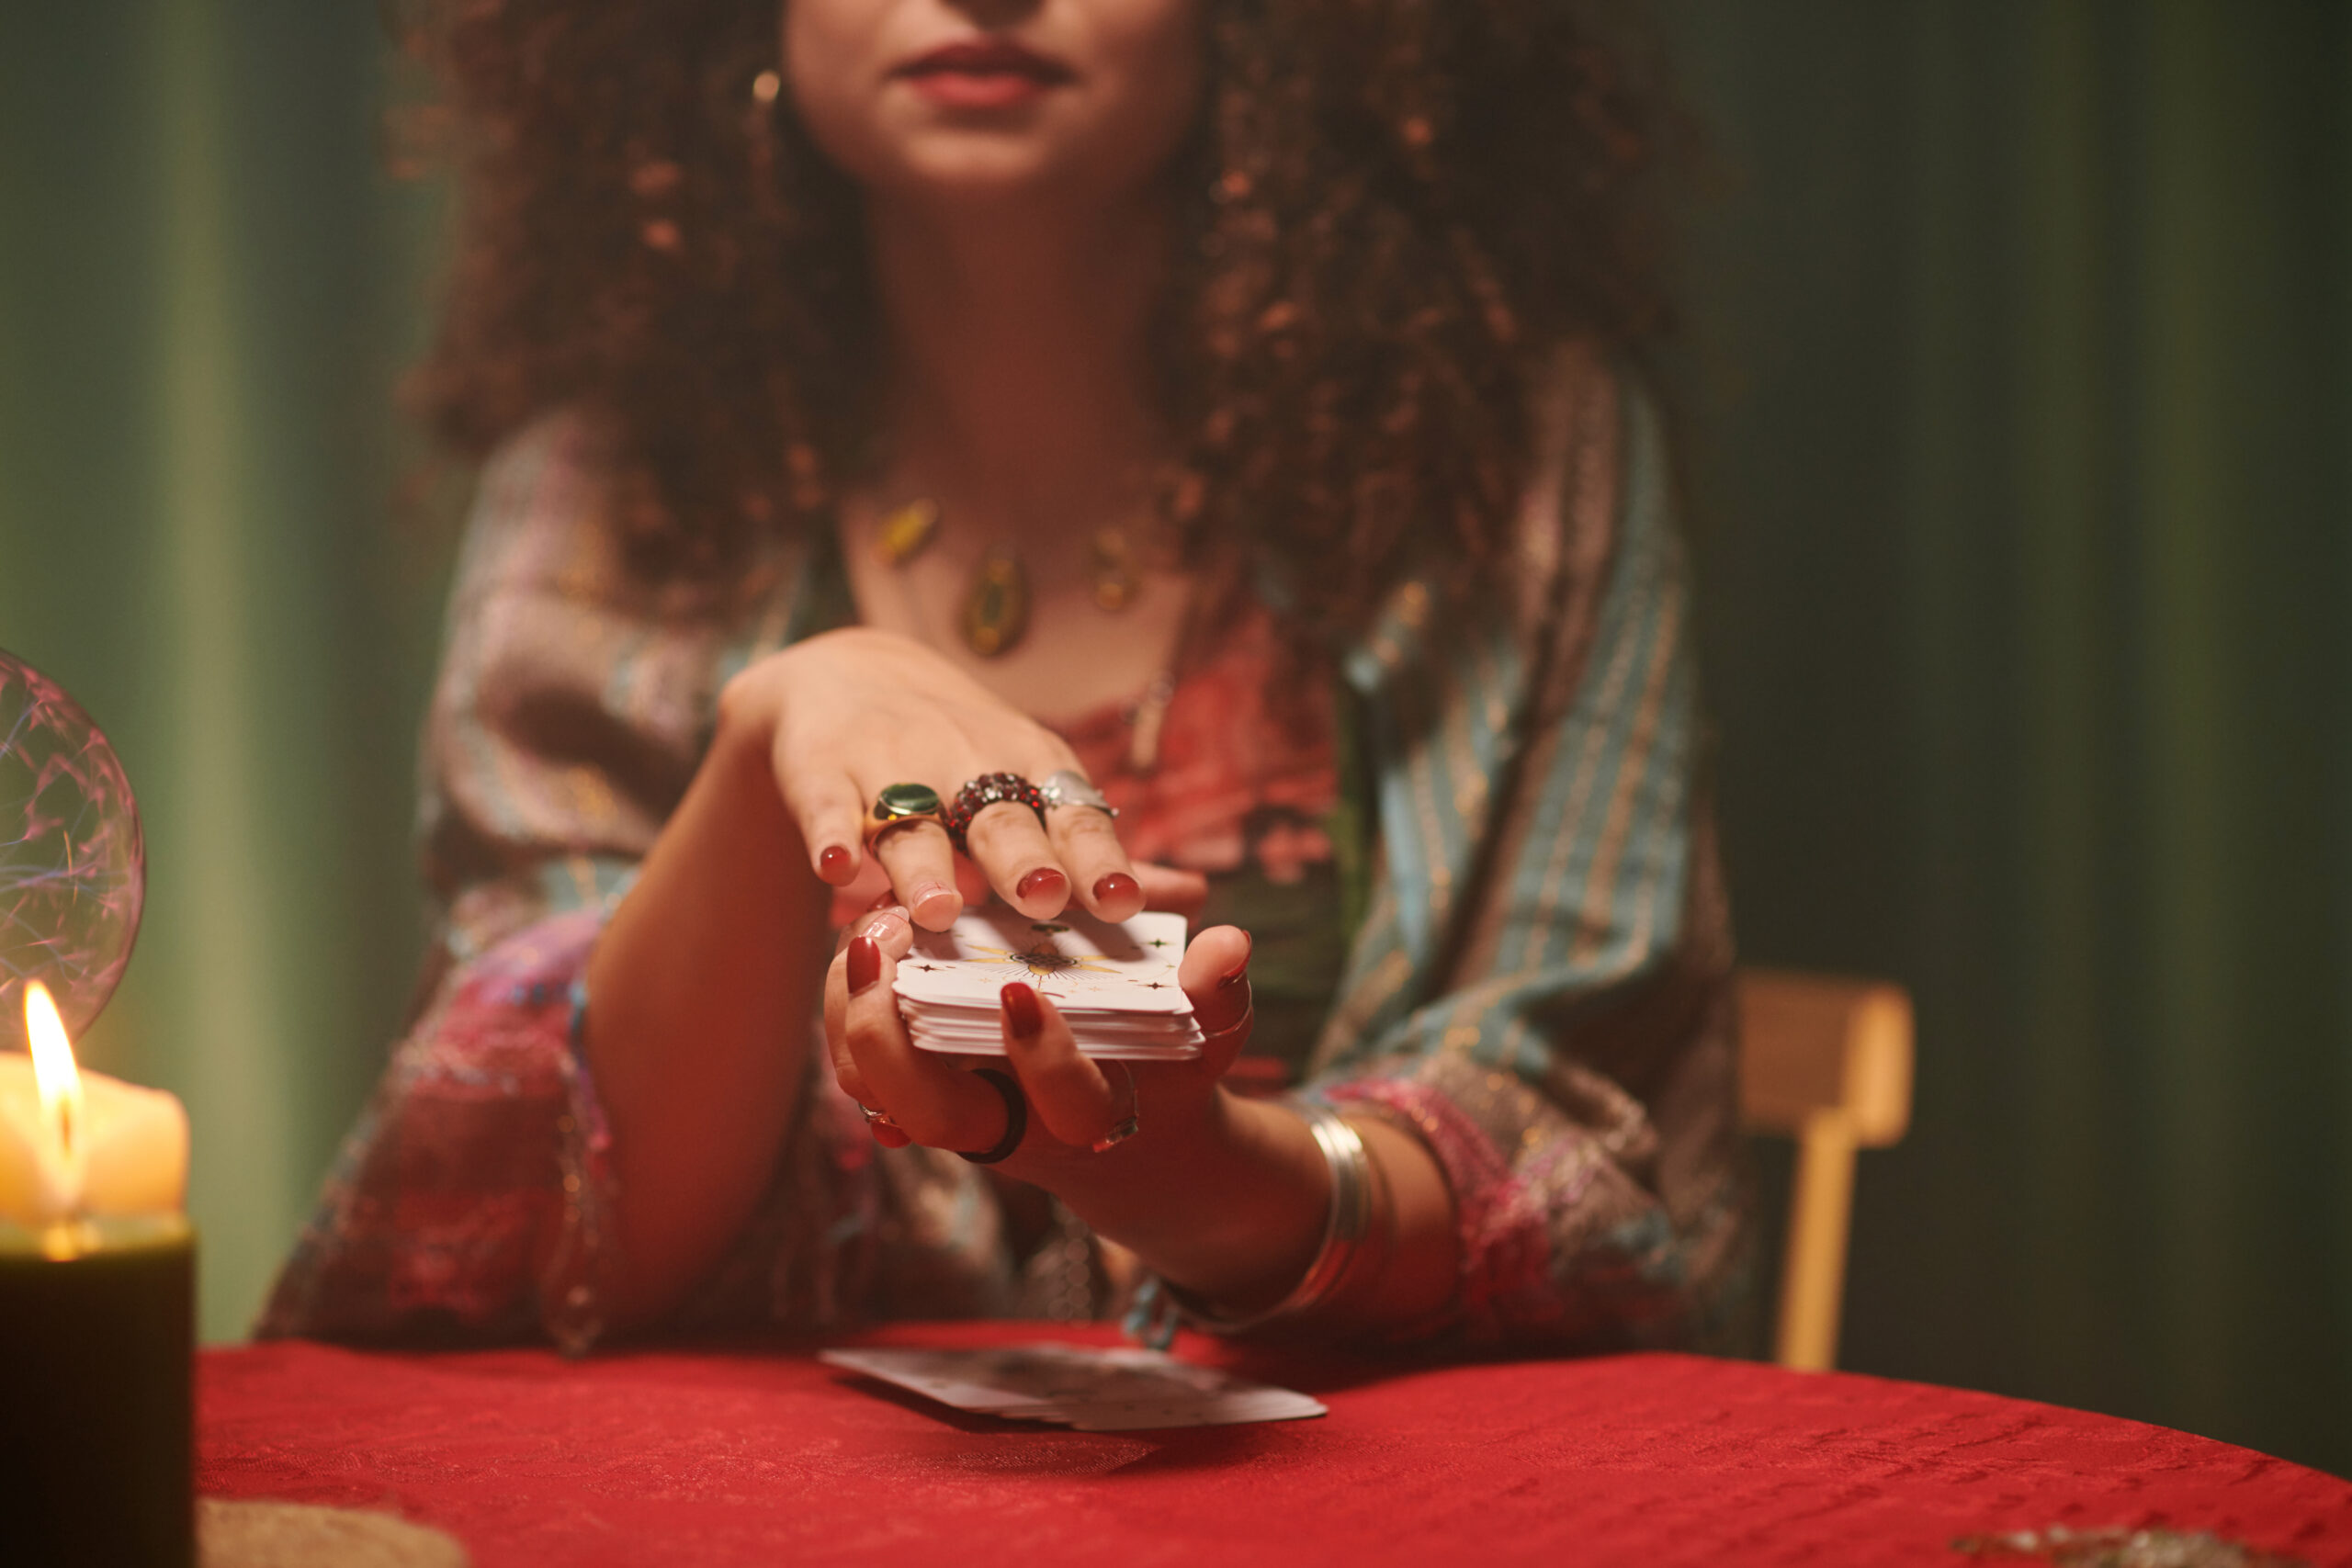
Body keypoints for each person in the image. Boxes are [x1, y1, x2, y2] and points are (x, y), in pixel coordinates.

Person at [261, 0, 1747, 1355]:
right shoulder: (605, 495)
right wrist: (774, 737)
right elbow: (563, 1238)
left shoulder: (1512, 468)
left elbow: (1584, 1141)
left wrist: (1210, 1185)